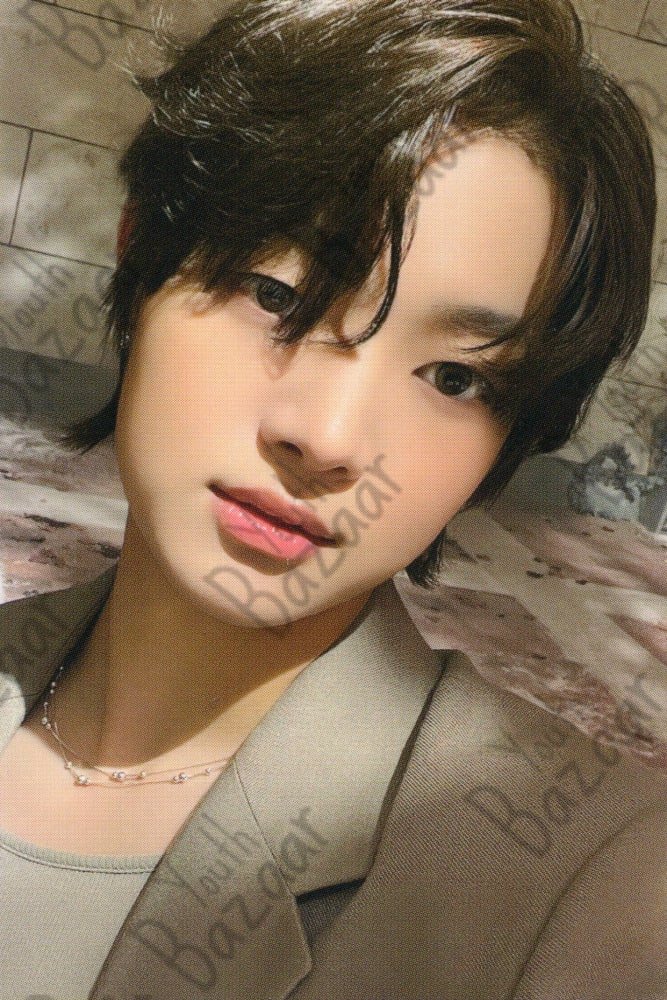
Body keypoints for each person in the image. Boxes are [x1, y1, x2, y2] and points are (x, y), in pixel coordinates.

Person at [1, 0, 666, 997]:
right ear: (142, 253)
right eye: (278, 294)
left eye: (456, 378)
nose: (329, 437)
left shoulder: (599, 886)